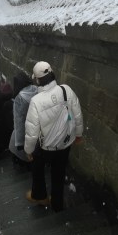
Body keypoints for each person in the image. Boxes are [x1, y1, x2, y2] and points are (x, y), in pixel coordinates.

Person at [24, 61, 83, 212]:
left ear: (38, 80)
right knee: (59, 172)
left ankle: (40, 196)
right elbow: (77, 115)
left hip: (47, 147)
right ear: (52, 74)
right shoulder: (66, 90)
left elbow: (32, 132)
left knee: (37, 168)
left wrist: (29, 150)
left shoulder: (36, 101)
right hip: (65, 143)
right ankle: (57, 204)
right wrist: (78, 134)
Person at [8, 71, 38, 168]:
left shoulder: (19, 98)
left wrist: (20, 144)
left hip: (26, 132)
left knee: (24, 156)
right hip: (38, 131)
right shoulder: (37, 90)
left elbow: (19, 122)